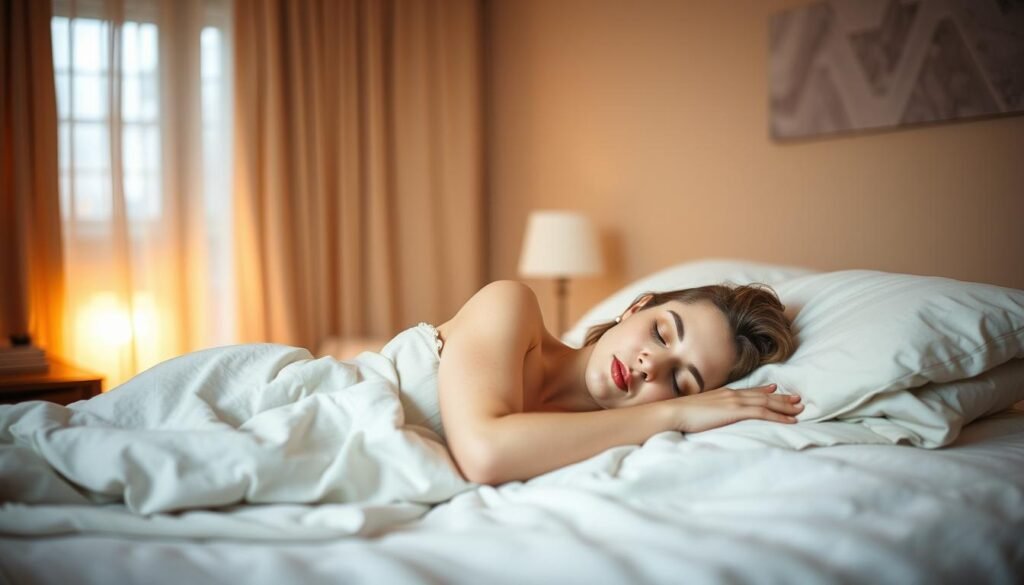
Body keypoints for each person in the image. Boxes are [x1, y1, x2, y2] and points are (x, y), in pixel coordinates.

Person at [433, 280, 800, 485]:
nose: (650, 365)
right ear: (635, 308)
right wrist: (675, 412)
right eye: (661, 333)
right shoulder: (511, 304)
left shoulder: (616, 446)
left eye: (679, 381)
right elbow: (485, 455)